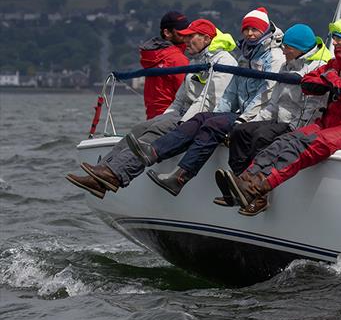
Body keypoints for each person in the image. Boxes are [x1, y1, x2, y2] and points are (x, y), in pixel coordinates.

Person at [65, 19, 237, 198]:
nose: (185, 41)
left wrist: (182, 124)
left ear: (206, 39)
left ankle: (113, 175)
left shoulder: (224, 61)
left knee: (153, 134)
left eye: (190, 36)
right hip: (182, 112)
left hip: (198, 117)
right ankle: (102, 173)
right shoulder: (197, 60)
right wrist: (163, 118)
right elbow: (179, 99)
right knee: (140, 128)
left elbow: (211, 101)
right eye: (185, 36)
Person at [228, 16, 341, 216]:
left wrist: (328, 76)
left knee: (306, 146)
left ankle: (257, 188)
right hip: (328, 124)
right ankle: (245, 180)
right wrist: (329, 77)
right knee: (285, 141)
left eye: (338, 38)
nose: (334, 42)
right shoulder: (337, 63)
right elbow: (307, 83)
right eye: (333, 37)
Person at [125, 7, 287, 196]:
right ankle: (155, 153)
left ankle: (181, 176)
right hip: (242, 112)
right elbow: (231, 92)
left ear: (265, 30)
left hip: (260, 115)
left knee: (213, 124)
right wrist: (217, 112)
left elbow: (265, 95)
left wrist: (242, 120)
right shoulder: (246, 56)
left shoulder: (274, 57)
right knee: (203, 118)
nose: (249, 34)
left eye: (255, 29)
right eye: (246, 29)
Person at [213, 24, 331, 206]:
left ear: (300, 49)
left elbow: (314, 107)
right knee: (241, 132)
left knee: (261, 137)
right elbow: (274, 102)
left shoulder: (318, 68)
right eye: (283, 46)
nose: (283, 51)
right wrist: (248, 121)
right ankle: (239, 185)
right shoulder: (285, 65)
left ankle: (257, 195)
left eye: (288, 48)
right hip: (278, 119)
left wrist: (296, 130)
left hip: (295, 125)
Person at [139, 11, 190, 119]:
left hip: (152, 119)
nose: (187, 33)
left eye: (188, 29)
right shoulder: (176, 59)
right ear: (167, 33)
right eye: (181, 30)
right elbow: (189, 95)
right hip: (171, 120)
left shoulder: (153, 55)